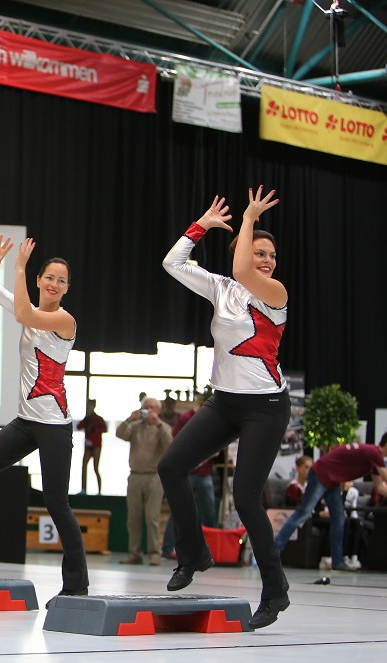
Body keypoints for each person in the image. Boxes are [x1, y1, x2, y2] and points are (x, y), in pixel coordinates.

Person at [158, 189, 293, 629]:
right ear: (241, 251)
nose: (267, 260)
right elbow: (172, 264)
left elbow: (242, 269)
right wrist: (201, 225)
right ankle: (194, 554)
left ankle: (275, 593)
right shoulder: (222, 287)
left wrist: (252, 216)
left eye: (271, 254)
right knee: (171, 466)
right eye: (259, 252)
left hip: (266, 408)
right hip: (225, 402)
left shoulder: (274, 292)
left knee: (246, 497)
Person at [0, 236, 89, 606]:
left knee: (57, 503)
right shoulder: (27, 306)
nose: (54, 284)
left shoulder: (64, 319)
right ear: (41, 281)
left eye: (61, 280)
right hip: (26, 422)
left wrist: (21, 267)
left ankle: (77, 581)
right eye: (50, 277)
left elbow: (26, 314)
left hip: (55, 425)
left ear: (66, 288)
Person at [274, 433, 387, 571]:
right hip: (321, 474)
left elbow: (380, 488)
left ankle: (337, 561)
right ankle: (274, 550)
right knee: (303, 512)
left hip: (332, 480)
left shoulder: (374, 459)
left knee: (339, 518)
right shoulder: (375, 453)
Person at [117, 397, 172, 566]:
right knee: (133, 518)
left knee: (152, 517)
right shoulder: (135, 427)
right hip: (135, 475)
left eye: (151, 407)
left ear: (158, 410)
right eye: (145, 407)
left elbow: (170, 444)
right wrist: (129, 419)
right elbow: (119, 434)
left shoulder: (163, 427)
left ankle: (155, 553)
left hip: (154, 476)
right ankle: (135, 553)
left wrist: (158, 423)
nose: (148, 410)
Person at [161, 394, 217, 558]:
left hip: (205, 473)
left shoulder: (214, 419)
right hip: (187, 473)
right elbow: (176, 440)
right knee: (178, 510)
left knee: (209, 512)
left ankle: (209, 549)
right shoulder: (186, 418)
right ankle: (167, 548)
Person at [76, 399, 106, 494]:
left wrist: (95, 429)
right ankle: (83, 489)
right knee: (84, 466)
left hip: (96, 445)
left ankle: (99, 491)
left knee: (95, 468)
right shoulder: (87, 419)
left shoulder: (98, 419)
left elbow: (105, 429)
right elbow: (78, 426)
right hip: (88, 446)